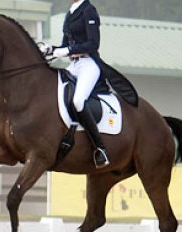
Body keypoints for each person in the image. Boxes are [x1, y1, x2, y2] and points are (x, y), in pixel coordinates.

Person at [40, 0, 109, 169]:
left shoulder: (89, 10)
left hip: (88, 64)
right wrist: (51, 49)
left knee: (78, 100)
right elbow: (65, 46)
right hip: (74, 64)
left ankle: (100, 148)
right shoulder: (71, 12)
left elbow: (93, 43)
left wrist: (68, 51)